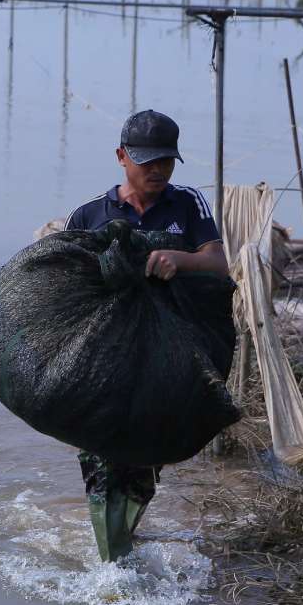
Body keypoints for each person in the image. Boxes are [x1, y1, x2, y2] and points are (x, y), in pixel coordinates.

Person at [64, 109, 228, 562]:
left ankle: (124, 532)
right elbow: (64, 284)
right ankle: (111, 556)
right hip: (105, 359)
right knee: (99, 455)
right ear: (121, 157)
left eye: (166, 161)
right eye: (146, 161)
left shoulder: (187, 204)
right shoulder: (90, 214)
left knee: (146, 458)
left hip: (164, 357)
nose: (157, 170)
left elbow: (218, 263)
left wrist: (179, 260)